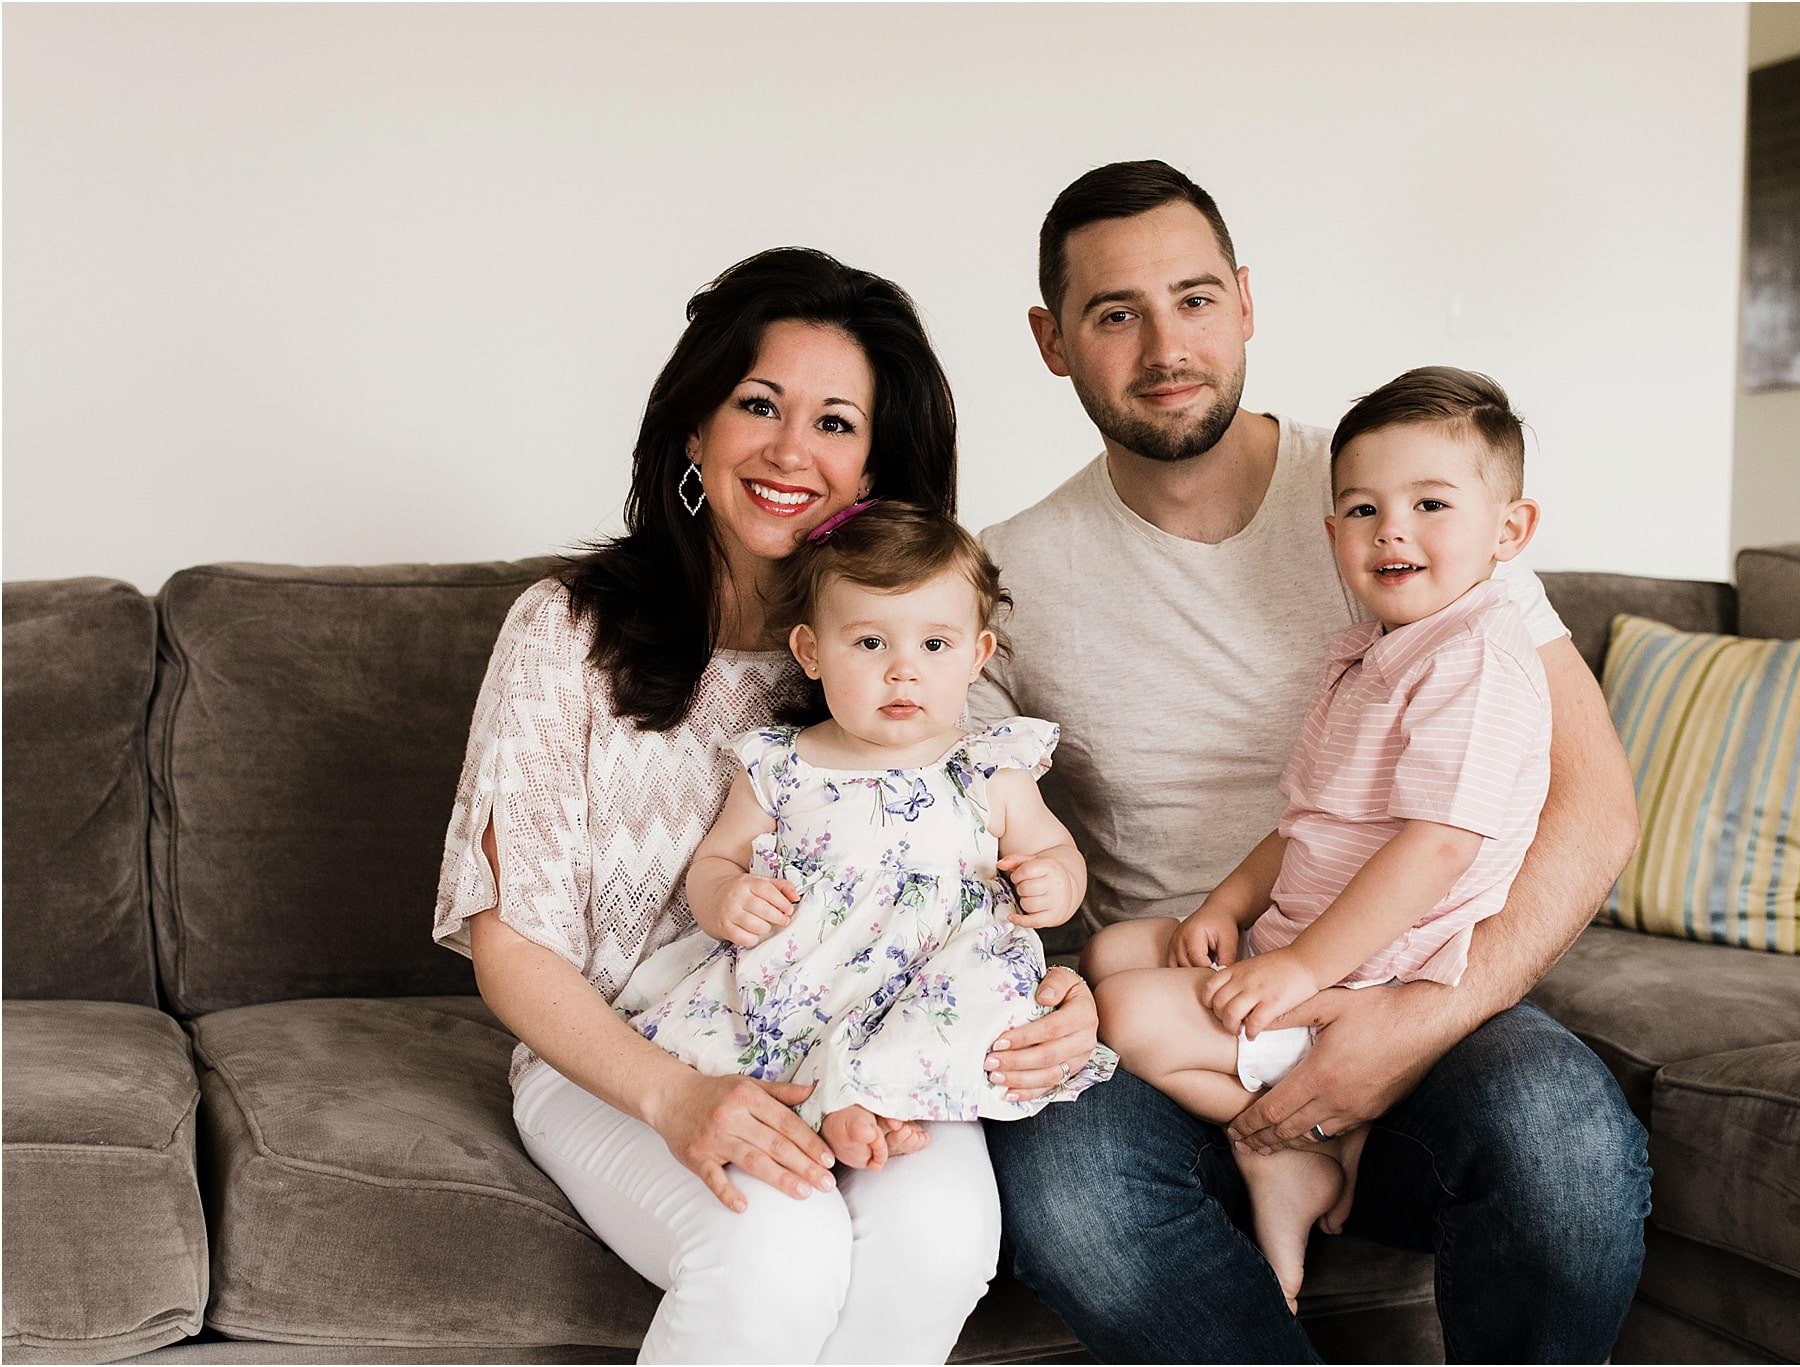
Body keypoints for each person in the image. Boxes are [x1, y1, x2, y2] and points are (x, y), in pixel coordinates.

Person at [972, 161, 1651, 1362]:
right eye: (1113, 313)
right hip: (1192, 1014)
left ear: (1242, 300)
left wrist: (1418, 1016)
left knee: (1559, 1137)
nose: (1164, 344)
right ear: (1051, 340)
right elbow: (953, 825)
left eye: (1191, 298)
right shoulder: (1005, 576)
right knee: (1070, 1196)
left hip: (1410, 975)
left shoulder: (1406, 487)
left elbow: (1593, 806)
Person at [430, 247, 1103, 1364]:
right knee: (779, 1246)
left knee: (941, 1239)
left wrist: (1059, 995)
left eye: (836, 422)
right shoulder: (563, 632)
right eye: (758, 405)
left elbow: (994, 879)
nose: (793, 451)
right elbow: (512, 942)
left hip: (872, 1038)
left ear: (876, 465)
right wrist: (675, 1097)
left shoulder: (913, 656)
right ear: (693, 430)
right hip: (624, 1054)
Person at [1086, 366, 1552, 1312]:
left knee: (1123, 1017)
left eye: (1431, 503)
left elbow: (1436, 849)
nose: (1393, 530)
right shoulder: (1373, 651)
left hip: (1367, 983)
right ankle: (1290, 1140)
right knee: (1114, 944)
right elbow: (1308, 820)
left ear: (1509, 531)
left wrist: (1297, 970)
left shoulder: (1477, 660)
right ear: (1331, 531)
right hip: (1309, 941)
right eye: (1363, 508)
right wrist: (1227, 903)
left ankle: (1288, 1140)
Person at [611, 499, 1115, 1173]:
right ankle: (834, 1099)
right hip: (810, 970)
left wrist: (1056, 882)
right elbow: (717, 858)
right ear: (811, 651)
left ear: (977, 655)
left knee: (979, 997)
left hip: (937, 965)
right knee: (749, 1025)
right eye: (871, 642)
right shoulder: (780, 762)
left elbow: (1058, 851)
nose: (902, 669)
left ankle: (873, 1097)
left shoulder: (991, 765)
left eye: (933, 644)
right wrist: (727, 893)